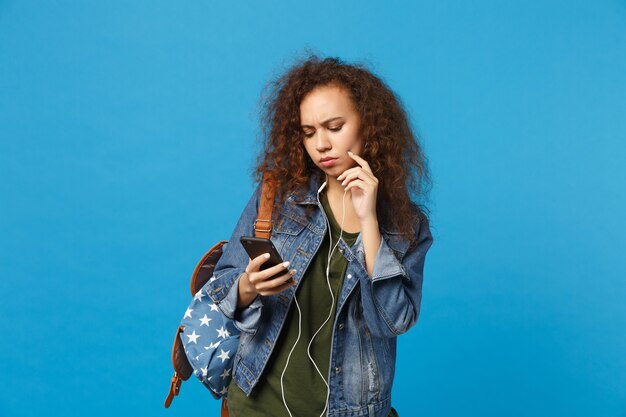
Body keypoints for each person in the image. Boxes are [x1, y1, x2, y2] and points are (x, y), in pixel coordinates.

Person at [204, 55, 434, 417]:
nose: (321, 144)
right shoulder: (276, 198)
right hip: (255, 405)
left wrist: (369, 222)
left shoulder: (406, 226)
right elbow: (222, 285)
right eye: (309, 132)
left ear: (368, 126)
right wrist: (248, 286)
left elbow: (393, 322)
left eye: (334, 126)